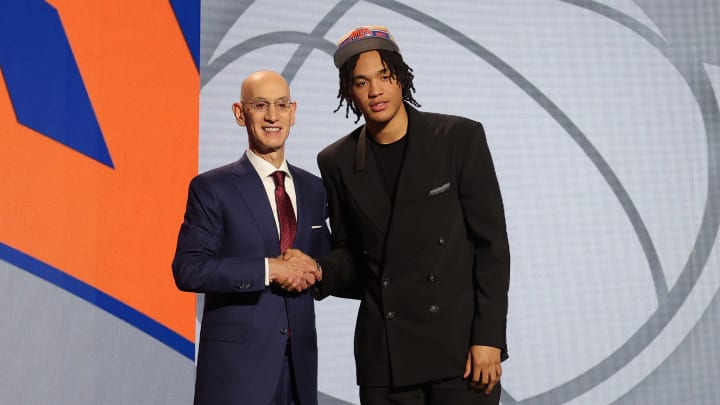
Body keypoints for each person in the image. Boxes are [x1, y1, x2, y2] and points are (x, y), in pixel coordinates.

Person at [288, 25, 510, 404]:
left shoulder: (458, 139)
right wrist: (319, 270)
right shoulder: (336, 161)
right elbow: (352, 254)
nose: (375, 91)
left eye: (385, 77)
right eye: (361, 82)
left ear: (401, 79)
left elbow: (491, 247)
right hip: (385, 360)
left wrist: (488, 337)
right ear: (349, 91)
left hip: (460, 352)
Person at [172, 70, 330, 405]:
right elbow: (189, 269)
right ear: (239, 113)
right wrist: (269, 270)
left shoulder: (314, 189)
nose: (273, 116)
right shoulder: (212, 188)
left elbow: (328, 261)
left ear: (293, 112)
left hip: (299, 371)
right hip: (237, 375)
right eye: (260, 105)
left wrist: (317, 268)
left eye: (281, 105)